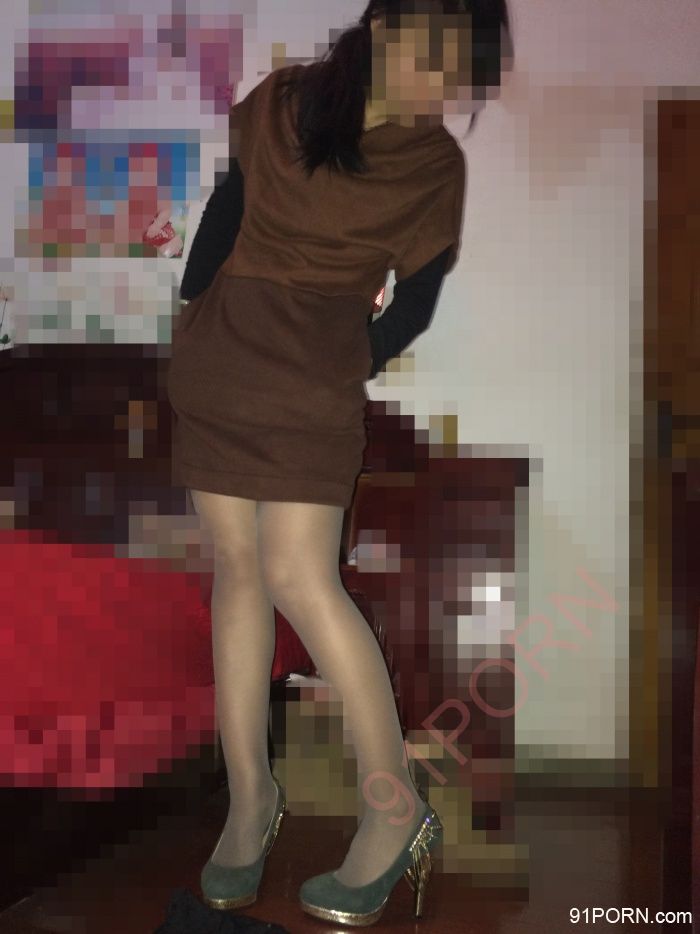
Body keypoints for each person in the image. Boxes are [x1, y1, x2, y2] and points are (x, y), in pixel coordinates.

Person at [166, 0, 513, 926]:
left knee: (299, 575)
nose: (438, 81)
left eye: (458, 68)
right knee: (239, 572)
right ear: (383, 25)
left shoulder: (434, 165)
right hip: (222, 360)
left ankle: (392, 808)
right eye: (429, 51)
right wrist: (192, 315)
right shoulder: (284, 102)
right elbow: (227, 209)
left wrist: (346, 357)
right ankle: (251, 799)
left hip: (311, 376)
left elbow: (418, 299)